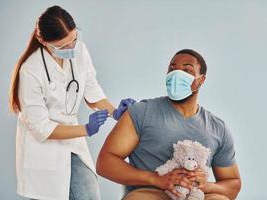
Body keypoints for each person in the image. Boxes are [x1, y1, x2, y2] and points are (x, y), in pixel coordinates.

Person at [9, 5, 135, 200]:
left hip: (73, 144)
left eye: (74, 40)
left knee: (89, 195)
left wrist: (114, 112)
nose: (71, 49)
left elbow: (92, 91)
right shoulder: (30, 70)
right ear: (43, 41)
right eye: (62, 46)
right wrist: (86, 129)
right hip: (43, 151)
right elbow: (41, 128)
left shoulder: (80, 51)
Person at [97, 49, 241, 200]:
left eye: (187, 70)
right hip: (150, 193)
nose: (177, 75)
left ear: (201, 80)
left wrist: (207, 186)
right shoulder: (141, 112)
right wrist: (156, 179)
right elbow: (105, 162)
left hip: (195, 195)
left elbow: (232, 183)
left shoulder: (217, 129)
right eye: (172, 69)